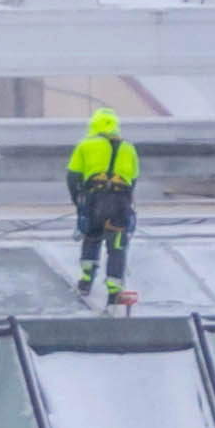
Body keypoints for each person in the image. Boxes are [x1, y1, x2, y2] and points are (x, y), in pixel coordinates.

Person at [61, 101, 143, 304]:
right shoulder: (129, 148)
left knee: (92, 235)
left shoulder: (85, 145)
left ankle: (86, 280)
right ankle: (114, 290)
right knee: (117, 244)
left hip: (94, 199)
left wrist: (78, 201)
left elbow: (72, 176)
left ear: (94, 124)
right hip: (120, 201)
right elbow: (132, 180)